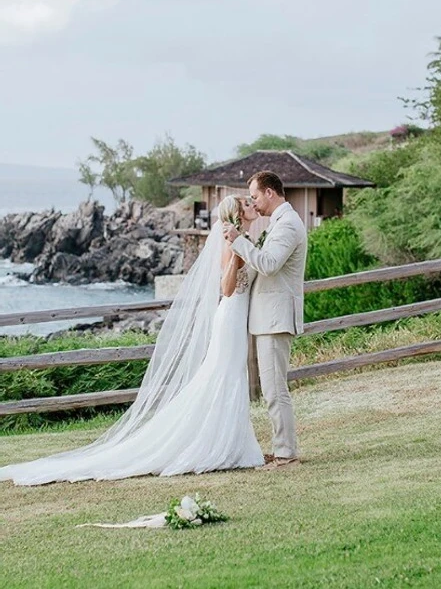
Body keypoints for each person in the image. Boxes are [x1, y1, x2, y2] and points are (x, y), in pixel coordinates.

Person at [0, 196, 264, 485]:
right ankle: (217, 444)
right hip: (229, 317)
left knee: (231, 375)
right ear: (238, 214)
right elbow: (226, 289)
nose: (253, 205)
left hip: (238, 318)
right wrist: (239, 249)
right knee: (223, 375)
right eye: (248, 204)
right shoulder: (232, 243)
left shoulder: (246, 238)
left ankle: (234, 442)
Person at [223, 171, 307, 470]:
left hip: (275, 319)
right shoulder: (277, 224)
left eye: (256, 196)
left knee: (274, 391)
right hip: (266, 318)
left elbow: (270, 265)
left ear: (270, 192)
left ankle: (286, 455)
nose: (254, 204)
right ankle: (281, 450)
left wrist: (238, 242)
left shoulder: (288, 225)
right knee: (272, 389)